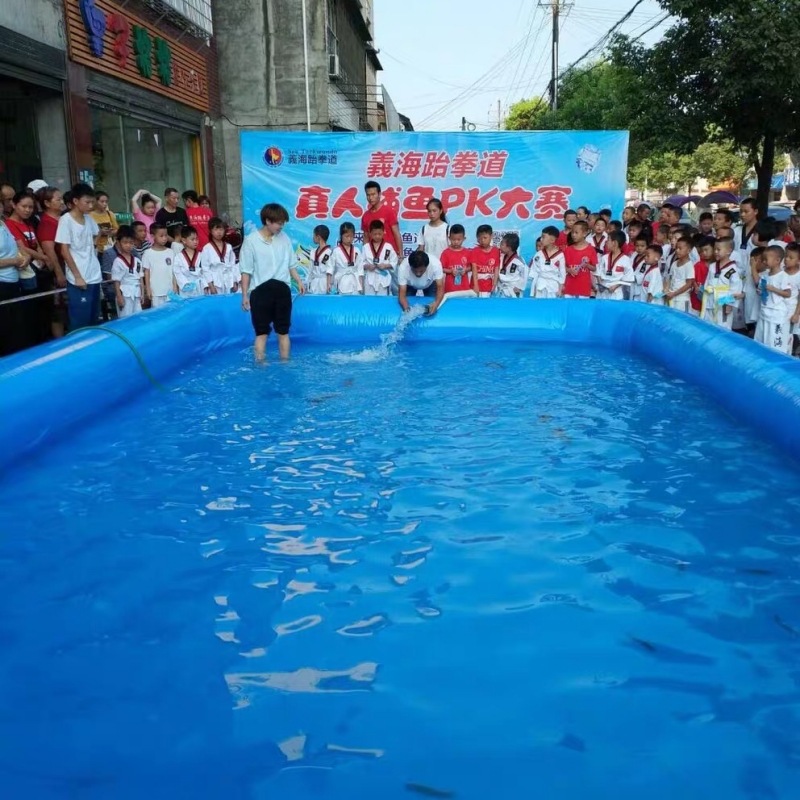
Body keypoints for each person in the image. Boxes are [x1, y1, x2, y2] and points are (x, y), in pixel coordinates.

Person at [239, 203, 304, 361]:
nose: (281, 227)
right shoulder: (251, 241)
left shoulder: (284, 238)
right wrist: (245, 295)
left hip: (282, 290)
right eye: (279, 223)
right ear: (267, 221)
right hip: (260, 292)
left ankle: (285, 364)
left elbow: (291, 265)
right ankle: (261, 367)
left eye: (283, 223)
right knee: (261, 333)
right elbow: (246, 271)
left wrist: (299, 281)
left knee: (283, 332)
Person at [56, 182, 103, 330]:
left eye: (92, 202)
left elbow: (97, 232)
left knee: (94, 318)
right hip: (79, 277)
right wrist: (77, 276)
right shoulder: (66, 220)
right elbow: (64, 250)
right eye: (87, 202)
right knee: (79, 321)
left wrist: (93, 245)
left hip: (94, 274)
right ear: (75, 201)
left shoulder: (88, 219)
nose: (91, 206)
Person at [6, 191, 50, 345]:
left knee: (41, 309)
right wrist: (45, 257)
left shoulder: (28, 223)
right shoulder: (9, 224)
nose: (27, 210)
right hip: (24, 271)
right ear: (14, 205)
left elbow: (35, 243)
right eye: (24, 206)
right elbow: (22, 247)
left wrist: (41, 255)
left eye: (30, 207)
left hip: (37, 268)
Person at [35, 186, 68, 338]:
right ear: (47, 203)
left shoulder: (62, 220)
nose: (62, 202)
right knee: (58, 310)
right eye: (58, 199)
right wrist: (59, 273)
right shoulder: (47, 223)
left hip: (68, 266)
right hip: (58, 270)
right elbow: (49, 251)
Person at [0, 215, 29, 355]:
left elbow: (18, 245)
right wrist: (14, 261)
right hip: (2, 283)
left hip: (14, 280)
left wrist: (25, 257)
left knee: (16, 327)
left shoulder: (3, 223)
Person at [755, 245, 792, 352]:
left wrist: (773, 289)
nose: (764, 261)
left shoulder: (783, 276)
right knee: (762, 338)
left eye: (766, 259)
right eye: (763, 259)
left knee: (774, 340)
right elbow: (761, 290)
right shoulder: (765, 275)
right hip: (764, 310)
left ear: (777, 260)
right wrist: (760, 291)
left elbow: (788, 293)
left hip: (776, 313)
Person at [701, 238, 742, 330]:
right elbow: (707, 282)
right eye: (715, 249)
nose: (715, 252)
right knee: (708, 326)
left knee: (723, 327)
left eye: (718, 249)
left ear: (729, 251)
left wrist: (730, 304)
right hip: (710, 301)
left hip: (723, 303)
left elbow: (735, 289)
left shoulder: (733, 270)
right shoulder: (712, 266)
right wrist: (705, 294)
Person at [110, 225, 145, 318]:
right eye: (125, 242)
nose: (128, 245)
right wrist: (119, 296)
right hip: (125, 293)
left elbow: (140, 278)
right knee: (125, 318)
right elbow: (116, 281)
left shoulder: (137, 260)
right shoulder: (118, 261)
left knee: (138, 317)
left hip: (136, 292)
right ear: (118, 243)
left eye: (131, 243)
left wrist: (142, 293)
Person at [201, 217, 239, 295]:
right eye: (216, 229)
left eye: (221, 229)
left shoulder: (228, 246)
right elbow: (205, 268)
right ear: (210, 231)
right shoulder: (207, 248)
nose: (219, 232)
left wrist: (235, 281)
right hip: (215, 281)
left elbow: (233, 265)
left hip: (228, 279)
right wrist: (211, 285)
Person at [361, 181, 401, 254]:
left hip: (389, 255)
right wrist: (365, 255)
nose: (370, 198)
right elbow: (366, 237)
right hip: (373, 256)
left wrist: (401, 255)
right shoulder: (365, 215)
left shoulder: (389, 211)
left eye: (373, 194)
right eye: (368, 195)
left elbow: (396, 234)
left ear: (379, 194)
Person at [143, 224, 176, 309]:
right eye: (161, 236)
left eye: (166, 235)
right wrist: (148, 289)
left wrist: (175, 287)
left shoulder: (171, 252)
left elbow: (173, 271)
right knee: (157, 313)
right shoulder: (148, 253)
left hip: (169, 291)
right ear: (152, 236)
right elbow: (147, 272)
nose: (164, 238)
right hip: (156, 292)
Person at [562, 220, 598, 299]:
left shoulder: (591, 249)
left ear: (584, 234)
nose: (573, 235)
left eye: (576, 233)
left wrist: (587, 265)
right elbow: (562, 266)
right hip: (569, 287)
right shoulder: (568, 250)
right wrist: (569, 270)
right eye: (572, 232)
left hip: (584, 289)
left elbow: (594, 268)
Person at [363, 219, 397, 296]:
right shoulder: (366, 247)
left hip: (383, 277)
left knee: (384, 299)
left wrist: (385, 265)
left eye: (379, 234)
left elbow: (394, 261)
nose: (377, 236)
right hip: (370, 277)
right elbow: (361, 262)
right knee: (369, 299)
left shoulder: (388, 246)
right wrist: (367, 266)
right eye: (375, 234)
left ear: (383, 232)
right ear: (370, 233)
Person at [596, 230, 633, 301]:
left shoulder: (626, 260)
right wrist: (600, 284)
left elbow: (628, 277)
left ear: (614, 243)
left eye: (608, 240)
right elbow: (598, 272)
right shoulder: (604, 258)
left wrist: (616, 286)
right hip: (602, 291)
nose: (606, 242)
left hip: (616, 292)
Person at [530, 225, 566, 298]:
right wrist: (533, 291)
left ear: (552, 240)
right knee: (539, 304)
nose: (541, 239)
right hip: (540, 285)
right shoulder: (538, 254)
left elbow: (562, 273)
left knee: (553, 304)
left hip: (554, 286)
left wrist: (560, 288)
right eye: (541, 237)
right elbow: (534, 272)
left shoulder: (560, 255)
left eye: (543, 237)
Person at [331, 221, 363, 295]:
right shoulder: (336, 251)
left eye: (351, 236)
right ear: (341, 236)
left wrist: (361, 285)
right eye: (347, 236)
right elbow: (331, 268)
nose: (349, 239)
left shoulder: (357, 250)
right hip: (341, 281)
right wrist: (330, 284)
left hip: (355, 282)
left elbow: (360, 269)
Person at [440, 224, 472, 296]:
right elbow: (441, 269)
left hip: (464, 288)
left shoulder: (467, 252)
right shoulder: (445, 253)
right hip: (450, 288)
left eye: (459, 240)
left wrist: (465, 270)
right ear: (449, 238)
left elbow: (471, 267)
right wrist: (451, 271)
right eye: (453, 239)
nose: (456, 242)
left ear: (464, 238)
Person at [665, 236, 695, 313]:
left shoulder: (689, 265)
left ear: (688, 250)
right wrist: (667, 290)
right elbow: (670, 278)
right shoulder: (674, 263)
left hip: (682, 299)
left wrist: (674, 293)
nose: (677, 250)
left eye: (680, 248)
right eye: (676, 248)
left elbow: (689, 284)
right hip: (672, 297)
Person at [173, 226, 205, 298]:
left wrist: (205, 285)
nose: (195, 241)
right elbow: (177, 273)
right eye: (192, 239)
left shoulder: (201, 255)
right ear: (184, 240)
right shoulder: (178, 257)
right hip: (186, 289)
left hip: (200, 287)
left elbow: (204, 271)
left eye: (196, 239)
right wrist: (186, 284)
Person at [471, 223, 500, 297]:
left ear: (491, 236)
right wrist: (476, 286)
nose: (482, 240)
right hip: (477, 286)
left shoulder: (496, 251)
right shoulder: (475, 251)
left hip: (489, 286)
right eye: (480, 238)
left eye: (485, 238)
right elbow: (474, 269)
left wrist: (494, 284)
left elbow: (496, 268)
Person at [781, 243, 800, 353]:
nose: (786, 259)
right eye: (785, 256)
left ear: (798, 261)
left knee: (789, 336)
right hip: (778, 309)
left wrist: (796, 314)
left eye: (791, 257)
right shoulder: (780, 271)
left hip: (791, 311)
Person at [495, 233, 527, 298]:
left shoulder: (519, 261)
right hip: (502, 288)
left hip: (513, 289)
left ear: (509, 248)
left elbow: (525, 275)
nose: (500, 246)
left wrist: (519, 287)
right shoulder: (501, 257)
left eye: (502, 244)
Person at [691, 237, 715, 317]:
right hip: (697, 299)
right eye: (701, 251)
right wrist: (695, 286)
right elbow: (692, 278)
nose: (704, 253)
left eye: (706, 250)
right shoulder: (698, 265)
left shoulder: (717, 265)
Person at [91, 190, 118, 256]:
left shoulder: (110, 214)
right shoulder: (90, 215)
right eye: (102, 201)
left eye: (106, 201)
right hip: (96, 248)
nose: (105, 204)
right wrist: (100, 233)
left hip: (109, 247)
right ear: (95, 201)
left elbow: (117, 229)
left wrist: (110, 232)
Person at [307, 224, 333, 294]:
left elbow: (329, 270)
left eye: (314, 235)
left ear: (318, 237)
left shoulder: (329, 252)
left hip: (324, 283)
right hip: (314, 283)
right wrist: (307, 283)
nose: (313, 237)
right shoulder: (313, 252)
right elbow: (310, 270)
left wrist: (328, 284)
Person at [630, 235, 650, 302]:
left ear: (647, 246)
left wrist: (633, 277)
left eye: (642, 246)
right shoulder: (634, 254)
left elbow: (645, 274)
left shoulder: (649, 259)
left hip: (640, 287)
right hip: (631, 284)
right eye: (637, 246)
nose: (639, 248)